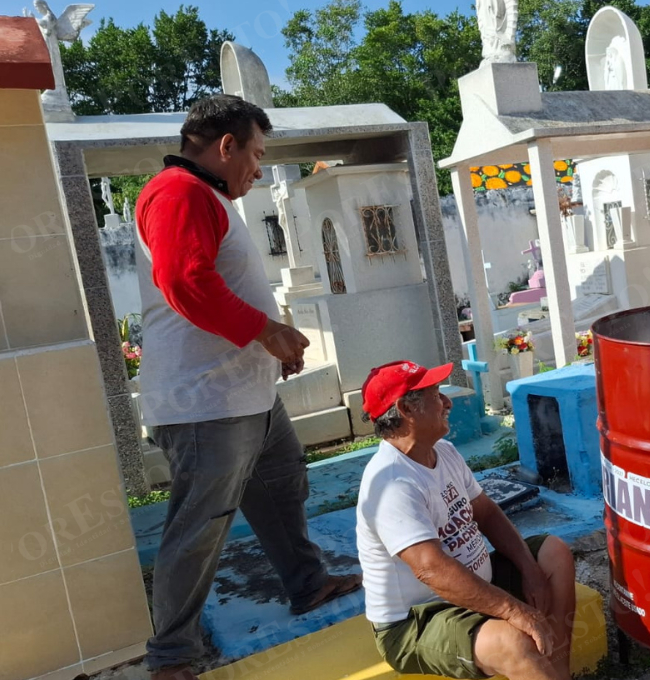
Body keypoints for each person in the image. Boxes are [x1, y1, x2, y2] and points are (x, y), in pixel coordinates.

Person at [135, 94, 361, 680]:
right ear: (225, 144)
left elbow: (216, 285)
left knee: (282, 485)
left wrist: (267, 348)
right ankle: (172, 657)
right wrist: (265, 332)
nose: (259, 169)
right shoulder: (178, 193)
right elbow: (186, 283)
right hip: (204, 401)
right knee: (200, 528)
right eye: (256, 154)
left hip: (245, 394)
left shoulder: (205, 196)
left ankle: (308, 583)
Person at [355, 360, 577, 680]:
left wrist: (530, 571)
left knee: (552, 554)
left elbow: (485, 512)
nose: (447, 402)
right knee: (511, 642)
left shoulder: (442, 451)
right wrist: (514, 611)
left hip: (474, 586)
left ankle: (558, 673)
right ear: (405, 409)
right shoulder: (391, 482)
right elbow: (431, 569)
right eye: (435, 393)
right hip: (418, 620)